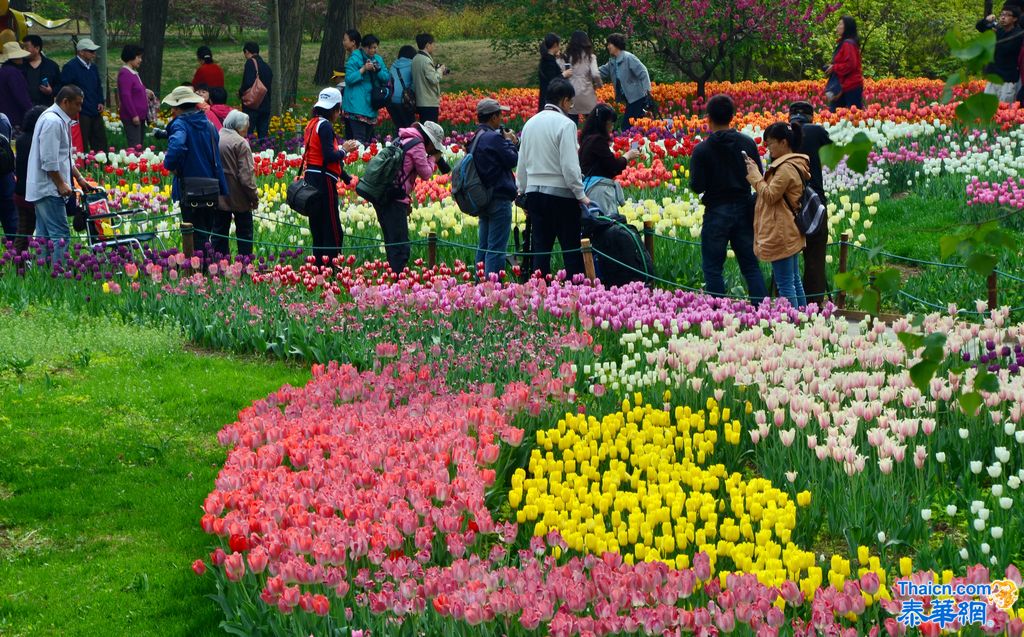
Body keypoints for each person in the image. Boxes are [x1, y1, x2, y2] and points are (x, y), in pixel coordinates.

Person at [688, 94, 768, 301]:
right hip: (744, 208)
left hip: (716, 211)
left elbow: (697, 186)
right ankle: (762, 311)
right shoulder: (748, 143)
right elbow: (757, 175)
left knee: (713, 268)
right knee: (750, 266)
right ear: (732, 116)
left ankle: (718, 314)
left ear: (708, 118)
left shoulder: (702, 149)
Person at [516, 78, 591, 279]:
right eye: (571, 102)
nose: (571, 107)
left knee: (540, 250)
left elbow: (521, 162)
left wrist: (522, 190)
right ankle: (575, 294)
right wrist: (580, 194)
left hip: (534, 195)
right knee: (570, 250)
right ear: (565, 100)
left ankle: (542, 295)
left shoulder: (530, 123)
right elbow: (569, 166)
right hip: (561, 196)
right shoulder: (566, 124)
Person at [26, 85, 95, 264]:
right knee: (60, 235)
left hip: (46, 187)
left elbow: (64, 156)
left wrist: (79, 178)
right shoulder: (53, 121)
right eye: (77, 105)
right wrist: (61, 184)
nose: (80, 109)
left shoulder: (57, 118)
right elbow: (49, 160)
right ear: (65, 102)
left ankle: (42, 275)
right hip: (49, 188)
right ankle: (60, 275)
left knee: (44, 236)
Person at [744, 122, 810, 309]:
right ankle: (805, 322)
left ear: (783, 142)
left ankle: (793, 324)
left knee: (785, 284)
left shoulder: (785, 168)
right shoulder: (793, 164)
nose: (768, 148)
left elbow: (771, 195)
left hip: (781, 231)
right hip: (790, 229)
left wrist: (755, 176)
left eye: (770, 143)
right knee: (794, 280)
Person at [162, 85, 228, 253]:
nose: (172, 112)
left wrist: (171, 166)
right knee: (206, 234)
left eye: (173, 108)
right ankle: (210, 268)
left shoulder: (181, 125)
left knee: (193, 234)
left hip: (190, 187)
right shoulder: (209, 125)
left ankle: (198, 271)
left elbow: (176, 146)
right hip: (211, 186)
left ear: (177, 107)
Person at [375, 120, 445, 274]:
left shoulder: (403, 138)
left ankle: (393, 278)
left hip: (385, 195)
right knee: (400, 247)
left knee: (392, 242)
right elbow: (426, 173)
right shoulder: (417, 144)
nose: (433, 149)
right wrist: (434, 159)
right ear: (430, 140)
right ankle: (397, 281)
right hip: (394, 199)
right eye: (434, 146)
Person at [301, 88, 359, 265]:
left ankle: (319, 267)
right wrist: (345, 150)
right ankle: (331, 269)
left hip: (311, 177)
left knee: (318, 227)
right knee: (333, 229)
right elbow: (329, 156)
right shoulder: (325, 126)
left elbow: (323, 158)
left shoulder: (312, 124)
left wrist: (347, 178)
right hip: (323, 181)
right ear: (336, 108)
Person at [788, 101, 831, 304]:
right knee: (814, 258)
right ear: (811, 117)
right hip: (814, 202)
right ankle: (814, 305)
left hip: (787, 203)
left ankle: (788, 303)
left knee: (787, 257)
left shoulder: (781, 132)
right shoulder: (817, 132)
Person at [471, 98, 519, 277]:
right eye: (500, 115)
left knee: (483, 247)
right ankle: (492, 292)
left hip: (483, 198)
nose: (501, 119)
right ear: (492, 117)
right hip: (498, 198)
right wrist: (510, 142)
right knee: (496, 249)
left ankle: (480, 285)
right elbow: (512, 159)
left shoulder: (476, 137)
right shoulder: (494, 138)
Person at [578, 103, 638, 215]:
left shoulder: (587, 139)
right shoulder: (597, 141)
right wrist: (627, 156)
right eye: (611, 123)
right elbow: (613, 166)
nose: (612, 127)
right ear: (603, 123)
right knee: (604, 224)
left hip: (589, 187)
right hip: (599, 191)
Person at [214, 110, 258, 258]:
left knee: (219, 234)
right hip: (239, 197)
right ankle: (244, 266)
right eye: (246, 128)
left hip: (218, 195)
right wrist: (254, 198)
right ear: (239, 128)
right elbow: (246, 177)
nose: (247, 132)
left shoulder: (216, 137)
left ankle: (220, 266)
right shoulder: (240, 143)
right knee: (244, 233)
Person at [60, 38, 106, 152]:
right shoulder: (70, 67)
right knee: (82, 141)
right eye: (91, 51)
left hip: (95, 110)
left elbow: (98, 86)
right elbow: (66, 88)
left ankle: (103, 164)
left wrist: (100, 101)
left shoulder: (93, 67)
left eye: (94, 51)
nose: (94, 54)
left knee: (100, 140)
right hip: (80, 111)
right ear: (81, 52)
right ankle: (84, 166)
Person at [342, 33, 389, 143]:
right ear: (364, 47)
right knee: (359, 140)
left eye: (375, 47)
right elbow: (349, 79)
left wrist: (377, 70)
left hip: (371, 104)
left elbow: (386, 77)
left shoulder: (378, 59)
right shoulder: (355, 58)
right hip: (356, 106)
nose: (374, 50)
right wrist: (363, 69)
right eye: (372, 48)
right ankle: (356, 159)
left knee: (368, 140)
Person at [598, 34, 652, 130]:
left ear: (616, 45)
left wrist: (648, 92)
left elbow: (643, 72)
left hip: (637, 97)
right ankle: (639, 143)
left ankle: (630, 143)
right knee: (636, 126)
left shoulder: (628, 58)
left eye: (610, 44)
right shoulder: (612, 62)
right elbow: (600, 72)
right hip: (629, 99)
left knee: (627, 127)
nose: (608, 46)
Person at [13, 105, 45, 251]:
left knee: (23, 231)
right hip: (36, 191)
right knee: (44, 231)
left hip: (20, 191)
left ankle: (18, 265)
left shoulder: (20, 140)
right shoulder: (38, 139)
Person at [977, 6, 1023, 103]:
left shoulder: (1018, 34)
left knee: (1005, 112)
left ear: (1015, 19)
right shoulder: (998, 31)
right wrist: (986, 20)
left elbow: (1006, 48)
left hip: (1008, 80)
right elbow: (980, 27)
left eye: (1007, 15)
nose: (1003, 17)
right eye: (1002, 14)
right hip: (993, 78)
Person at [826, 16, 864, 110]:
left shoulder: (848, 44)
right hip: (844, 86)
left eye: (840, 24)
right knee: (839, 116)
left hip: (850, 86)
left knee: (849, 117)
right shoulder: (845, 43)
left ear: (847, 27)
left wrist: (834, 68)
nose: (837, 27)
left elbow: (851, 65)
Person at [563, 31, 602, 122]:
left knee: (571, 121)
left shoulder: (567, 57)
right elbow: (595, 73)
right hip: (587, 92)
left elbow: (562, 73)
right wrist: (599, 84)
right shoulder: (590, 57)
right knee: (592, 123)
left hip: (571, 93)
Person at [117, 44, 148, 149]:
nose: (140, 60)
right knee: (135, 146)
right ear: (130, 57)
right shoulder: (125, 74)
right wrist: (134, 115)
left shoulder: (133, 73)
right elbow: (126, 96)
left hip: (140, 116)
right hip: (133, 117)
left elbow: (135, 90)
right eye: (138, 57)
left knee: (139, 145)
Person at [239, 42, 272, 138]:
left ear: (247, 51)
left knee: (248, 133)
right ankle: (265, 151)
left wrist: (241, 93)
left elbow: (247, 83)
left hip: (253, 106)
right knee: (263, 136)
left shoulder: (250, 63)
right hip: (265, 105)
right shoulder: (267, 67)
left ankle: (250, 152)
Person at [411, 33, 446, 124]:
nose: (434, 46)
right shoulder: (426, 61)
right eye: (432, 44)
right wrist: (440, 70)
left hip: (420, 101)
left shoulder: (415, 58)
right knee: (430, 131)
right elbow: (434, 79)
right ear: (427, 45)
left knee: (424, 129)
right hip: (429, 102)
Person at [21, 35, 61, 107]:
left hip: (45, 107)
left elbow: (59, 85)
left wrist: (51, 91)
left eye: (26, 47)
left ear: (37, 48)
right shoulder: (21, 65)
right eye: (23, 47)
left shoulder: (51, 66)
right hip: (25, 108)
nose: (24, 50)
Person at [1, 40, 32, 130]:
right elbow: (22, 96)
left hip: (4, 119)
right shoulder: (14, 73)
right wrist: (32, 111)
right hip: (15, 119)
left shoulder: (2, 71)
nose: (22, 59)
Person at [537, 33, 569, 113]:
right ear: (555, 44)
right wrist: (564, 74)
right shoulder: (549, 61)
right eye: (559, 44)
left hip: (546, 97)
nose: (560, 47)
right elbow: (552, 81)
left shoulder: (547, 59)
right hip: (549, 99)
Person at [388, 45, 417, 130]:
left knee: (399, 127)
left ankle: (399, 142)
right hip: (405, 100)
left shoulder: (393, 66)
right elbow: (415, 83)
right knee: (410, 128)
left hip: (391, 100)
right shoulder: (412, 65)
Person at [0, 112, 14, 239]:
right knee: (11, 223)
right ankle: (19, 256)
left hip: (5, 179)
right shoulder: (2, 119)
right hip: (5, 179)